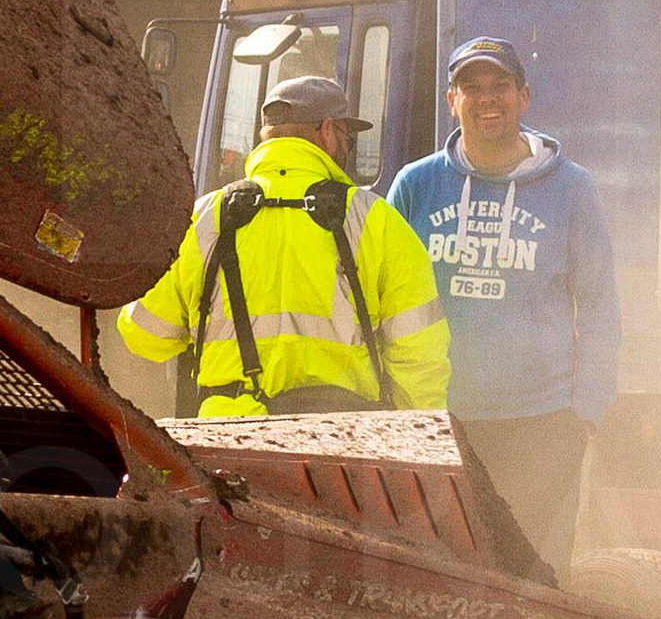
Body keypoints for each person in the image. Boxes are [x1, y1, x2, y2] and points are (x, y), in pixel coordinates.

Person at [388, 36, 620, 571]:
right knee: (447, 572)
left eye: (500, 87)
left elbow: (601, 305)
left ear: (524, 96)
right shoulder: (416, 186)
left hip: (542, 421)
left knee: (539, 575)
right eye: (472, 88)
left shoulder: (571, 188)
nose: (487, 99)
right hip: (442, 421)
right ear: (453, 100)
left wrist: (587, 409)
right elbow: (383, 299)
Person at [117, 75, 450, 418]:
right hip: (342, 439)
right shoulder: (375, 220)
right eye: (347, 138)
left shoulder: (203, 218)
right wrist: (421, 430)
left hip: (228, 439)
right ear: (327, 130)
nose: (347, 148)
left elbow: (144, 334)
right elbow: (419, 352)